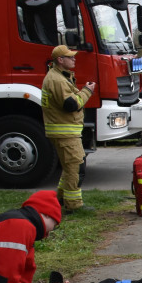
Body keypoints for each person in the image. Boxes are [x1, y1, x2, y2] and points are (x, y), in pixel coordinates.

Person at [42, 45, 95, 214]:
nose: (74, 59)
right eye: (70, 57)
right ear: (60, 60)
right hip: (65, 132)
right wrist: (87, 91)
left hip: (65, 131)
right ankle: (74, 205)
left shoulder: (59, 77)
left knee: (69, 167)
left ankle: (60, 199)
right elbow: (71, 104)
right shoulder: (57, 80)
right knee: (76, 167)